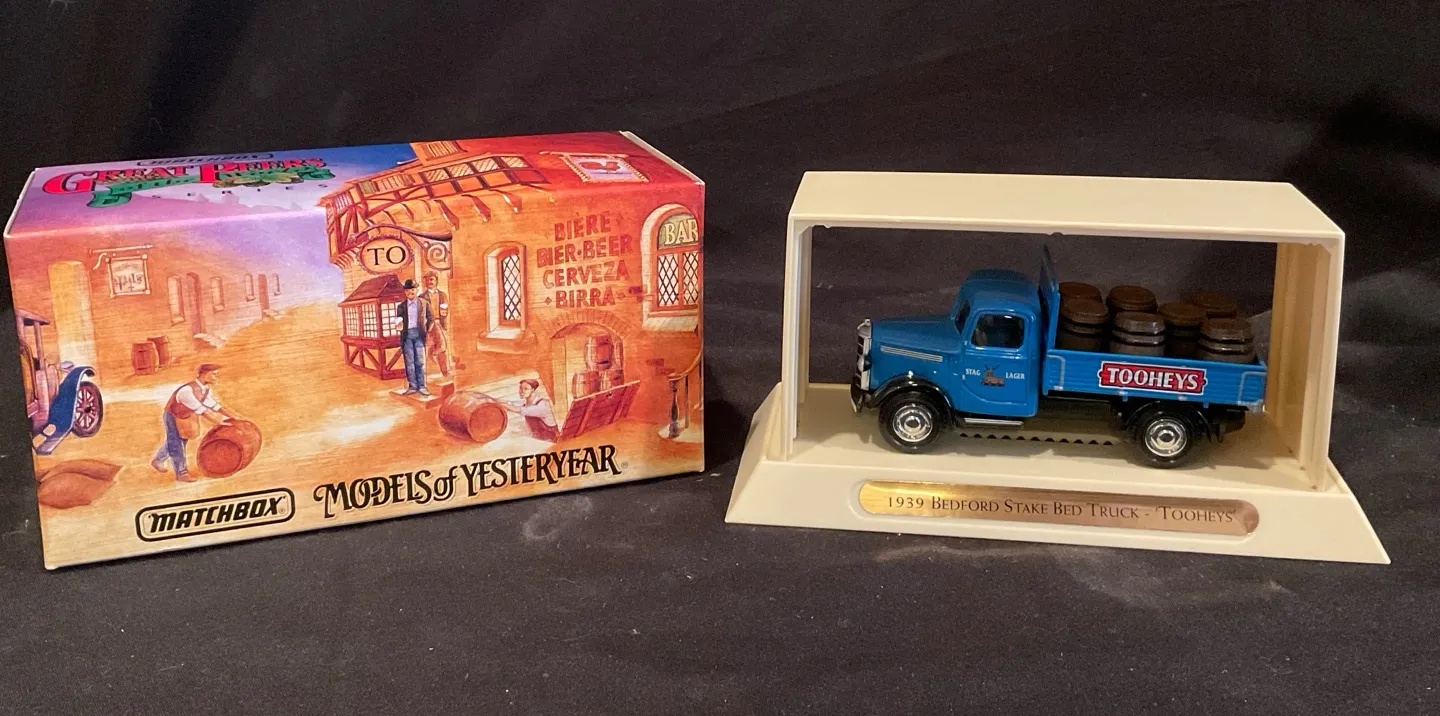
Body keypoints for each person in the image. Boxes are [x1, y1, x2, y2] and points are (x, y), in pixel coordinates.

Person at [151, 363, 238, 482]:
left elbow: (216, 407)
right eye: (214, 374)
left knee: (179, 441)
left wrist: (235, 417)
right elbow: (203, 411)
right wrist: (218, 422)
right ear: (204, 375)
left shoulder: (205, 390)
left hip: (186, 416)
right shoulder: (187, 391)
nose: (217, 377)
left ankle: (158, 460)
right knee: (176, 443)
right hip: (173, 416)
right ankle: (181, 473)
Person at [392, 278, 433, 396]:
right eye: (407, 290)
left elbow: (431, 318)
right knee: (409, 362)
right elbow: (398, 321)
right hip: (407, 336)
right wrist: (398, 325)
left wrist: (427, 331)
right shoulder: (401, 306)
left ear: (417, 290)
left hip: (419, 335)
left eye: (412, 290)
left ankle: (422, 386)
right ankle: (412, 387)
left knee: (420, 361)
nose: (410, 292)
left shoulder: (424, 303)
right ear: (405, 292)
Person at [420, 271, 451, 377]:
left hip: (440, 323)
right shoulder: (422, 297)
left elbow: (445, 311)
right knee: (431, 346)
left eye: (432, 279)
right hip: (428, 325)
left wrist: (444, 323)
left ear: (436, 281)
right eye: (427, 280)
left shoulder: (442, 295)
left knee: (442, 348)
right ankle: (428, 372)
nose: (429, 282)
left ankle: (444, 371)